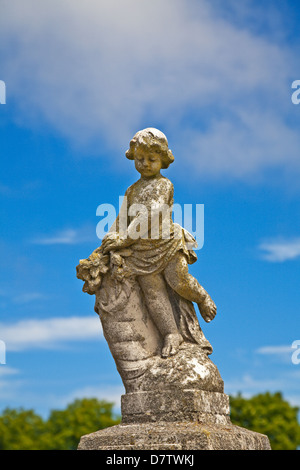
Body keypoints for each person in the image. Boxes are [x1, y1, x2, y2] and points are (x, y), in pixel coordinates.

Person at [101, 128, 216, 358]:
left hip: (167, 244)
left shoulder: (164, 185)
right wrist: (110, 240)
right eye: (139, 159)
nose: (144, 164)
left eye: (151, 159)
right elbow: (122, 219)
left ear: (162, 160)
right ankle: (170, 333)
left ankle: (202, 296)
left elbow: (152, 215)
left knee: (178, 280)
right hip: (141, 252)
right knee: (153, 294)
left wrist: (125, 239)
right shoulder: (131, 190)